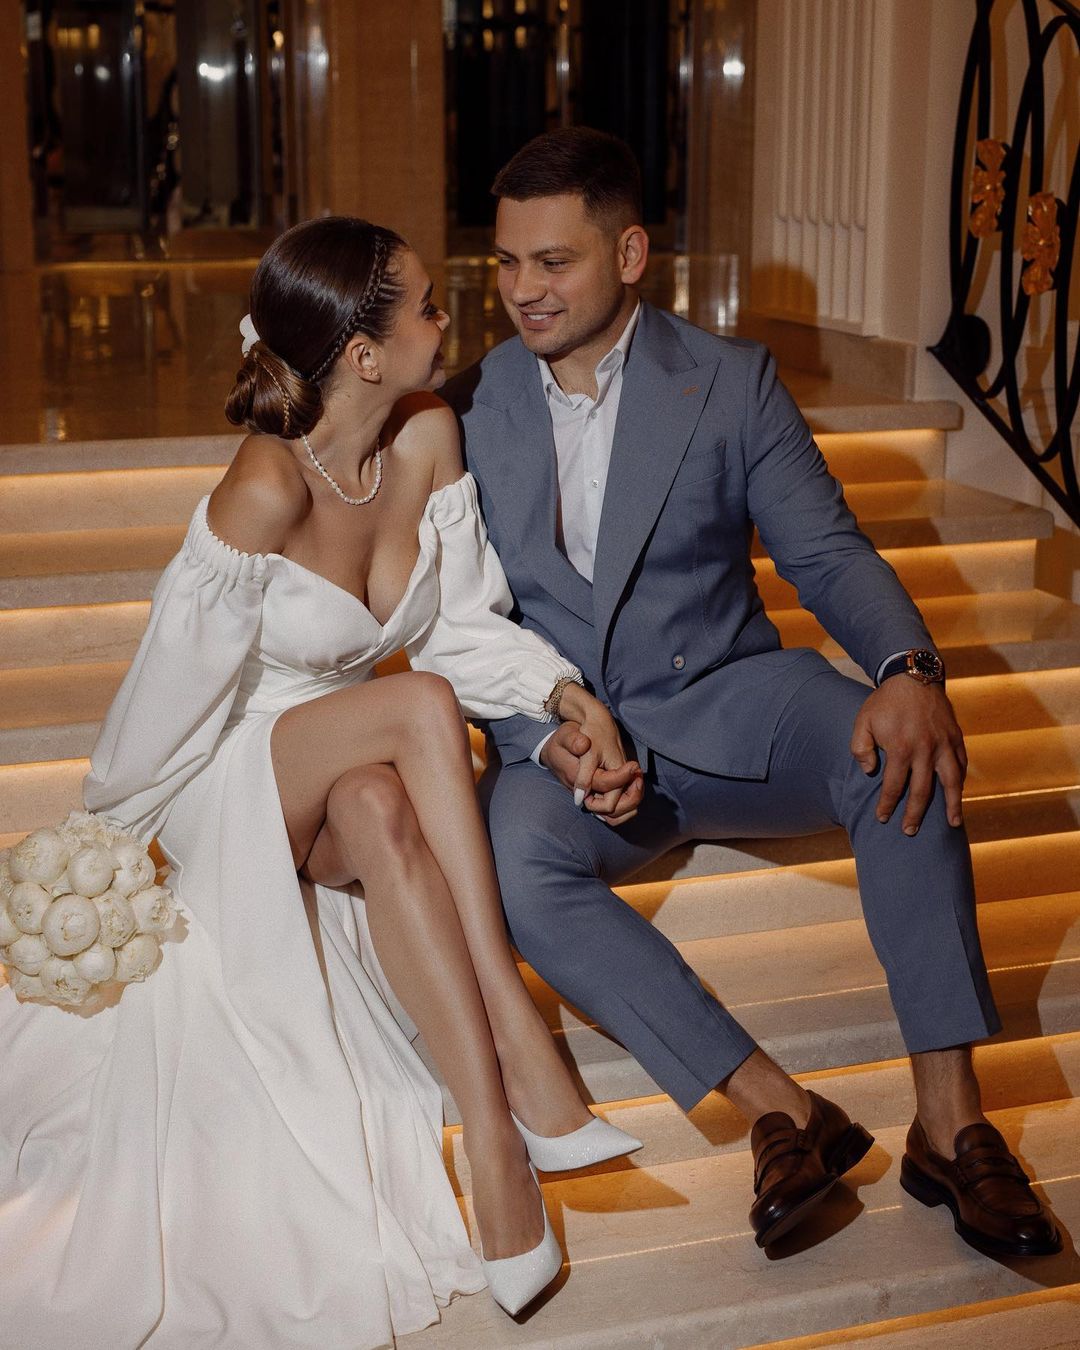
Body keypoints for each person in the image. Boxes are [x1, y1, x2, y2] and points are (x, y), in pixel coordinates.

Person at [0, 215, 643, 1350]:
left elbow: (451, 627)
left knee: (382, 801)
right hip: (229, 767)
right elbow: (168, 691)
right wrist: (110, 832)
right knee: (418, 709)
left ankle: (496, 1142)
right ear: (362, 353)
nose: (450, 317)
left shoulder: (428, 434)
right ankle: (514, 1036)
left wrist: (552, 695)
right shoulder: (264, 482)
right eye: (428, 306)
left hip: (353, 758)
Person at [443, 127, 1062, 1259]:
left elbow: (825, 554)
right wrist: (540, 731)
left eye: (554, 261)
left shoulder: (730, 381)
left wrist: (909, 669)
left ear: (630, 254)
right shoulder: (467, 407)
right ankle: (780, 1109)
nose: (524, 289)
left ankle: (949, 1124)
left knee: (902, 752)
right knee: (512, 866)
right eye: (509, 262)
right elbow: (457, 618)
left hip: (732, 697)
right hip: (568, 744)